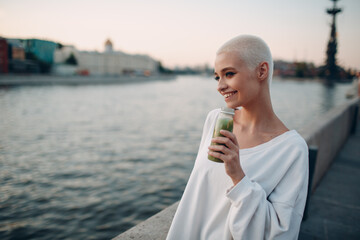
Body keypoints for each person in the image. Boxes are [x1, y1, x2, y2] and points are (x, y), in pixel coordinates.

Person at [166, 35, 309, 240]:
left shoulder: (292, 149)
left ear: (261, 71)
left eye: (229, 74)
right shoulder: (215, 120)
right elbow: (197, 196)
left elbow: (281, 232)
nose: (220, 85)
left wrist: (238, 177)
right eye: (217, 77)